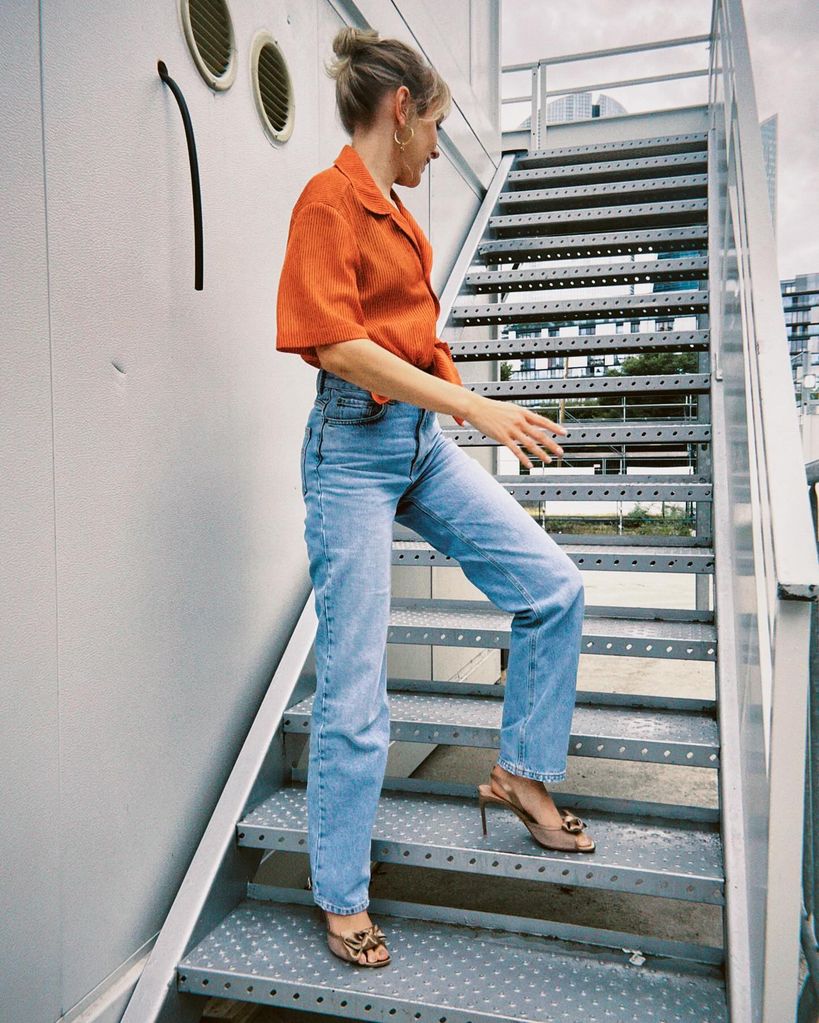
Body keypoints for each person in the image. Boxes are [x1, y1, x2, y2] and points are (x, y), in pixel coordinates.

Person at [276, 26, 591, 969]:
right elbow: (334, 343)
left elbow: (409, 338)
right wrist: (475, 406)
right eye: (436, 125)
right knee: (356, 689)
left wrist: (450, 406)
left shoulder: (399, 214)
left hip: (416, 443)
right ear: (400, 109)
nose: (435, 148)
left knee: (553, 587)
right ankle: (340, 893)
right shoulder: (327, 202)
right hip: (350, 452)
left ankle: (519, 775)